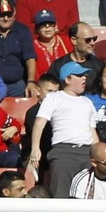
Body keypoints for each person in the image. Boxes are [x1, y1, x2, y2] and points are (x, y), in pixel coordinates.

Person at [26, 61, 98, 197]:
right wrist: (35, 148)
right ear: (68, 79)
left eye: (85, 75)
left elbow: (92, 131)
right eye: (80, 75)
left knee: (87, 195)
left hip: (86, 153)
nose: (84, 78)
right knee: (62, 195)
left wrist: (97, 153)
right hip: (63, 152)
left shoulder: (87, 102)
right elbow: (39, 123)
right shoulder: (54, 98)